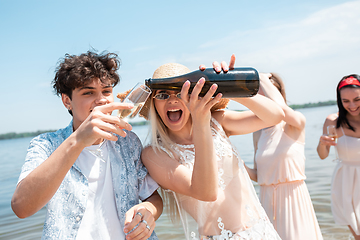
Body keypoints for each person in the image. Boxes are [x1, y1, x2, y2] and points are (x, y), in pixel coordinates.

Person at [11, 50, 163, 240]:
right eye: (88, 92)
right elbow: (21, 207)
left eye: (106, 91)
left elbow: (152, 197)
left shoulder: (128, 140)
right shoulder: (45, 145)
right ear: (67, 101)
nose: (101, 100)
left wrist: (148, 210)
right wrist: (78, 140)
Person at [137, 55, 285, 239]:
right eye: (162, 95)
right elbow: (206, 193)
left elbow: (276, 116)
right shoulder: (154, 154)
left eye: (182, 91)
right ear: (153, 104)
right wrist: (200, 121)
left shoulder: (216, 122)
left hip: (262, 232)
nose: (172, 100)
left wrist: (229, 85)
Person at [245, 73, 323, 240]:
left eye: (265, 93)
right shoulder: (258, 132)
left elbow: (282, 111)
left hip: (293, 204)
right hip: (266, 204)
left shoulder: (294, 123)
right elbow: (259, 176)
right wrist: (238, 163)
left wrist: (262, 79)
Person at [317, 74, 360, 240]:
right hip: (347, 183)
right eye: (346, 101)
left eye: (357, 99)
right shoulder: (333, 122)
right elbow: (322, 156)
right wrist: (322, 143)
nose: (352, 105)